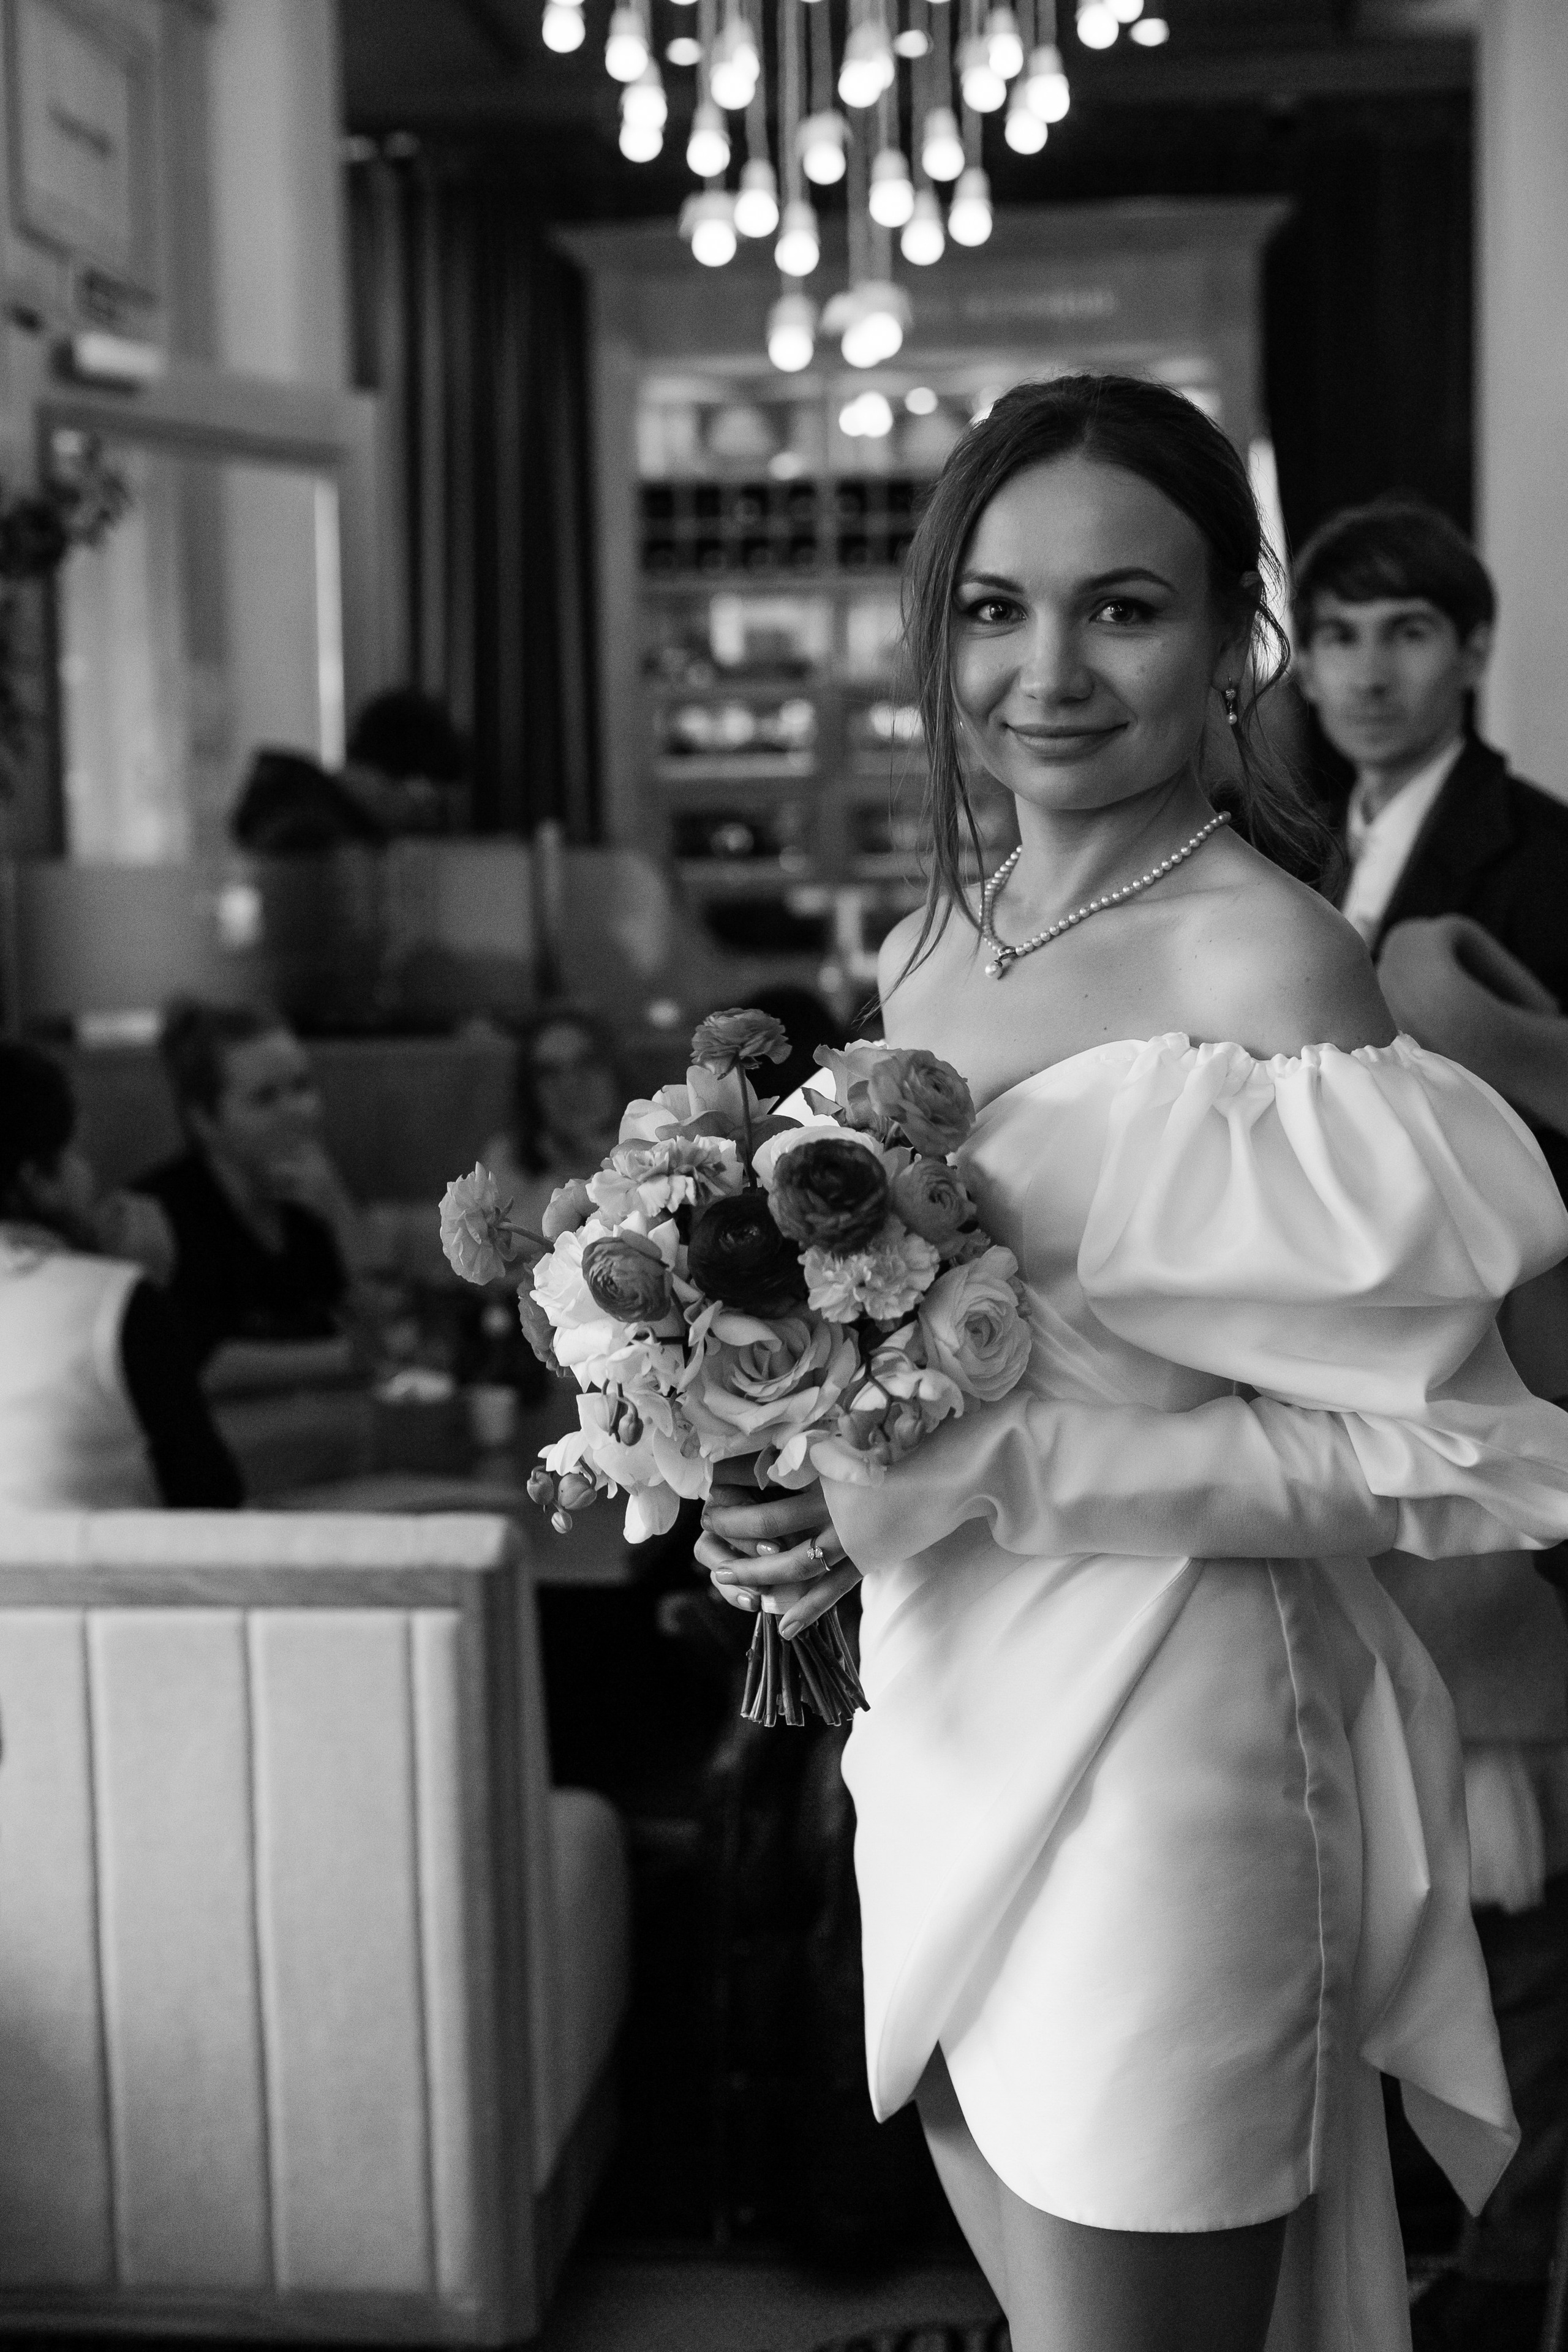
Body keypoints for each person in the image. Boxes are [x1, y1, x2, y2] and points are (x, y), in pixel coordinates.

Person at [693, 374, 1568, 2352]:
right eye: (995, 610)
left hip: (1173, 1756)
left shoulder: (1273, 968)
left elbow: (1444, 1459)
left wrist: (1000, 1477)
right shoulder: (939, 938)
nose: (1047, 672)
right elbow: (906, 1361)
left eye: (1122, 607)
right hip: (936, 1714)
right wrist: (794, 1497)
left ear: (1232, 638)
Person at [1294, 498, 1568, 2349]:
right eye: (1333, 638)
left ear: (1467, 649)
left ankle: (1502, 2268)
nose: (1365, 670)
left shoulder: (1535, 855)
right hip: (1344, 1401)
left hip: (1514, 1374)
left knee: (1519, 1852)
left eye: (1401, 633)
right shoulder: (1298, 854)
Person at [0, 1042, 241, 1509]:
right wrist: (140, 1287)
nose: (89, 1174)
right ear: (34, 1183)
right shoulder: (116, 1303)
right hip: (86, 1582)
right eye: (75, 1153)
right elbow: (212, 1501)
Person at [134, 1000, 355, 1368]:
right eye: (265, 1098)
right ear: (204, 1120)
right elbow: (204, 1365)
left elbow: (376, 1323)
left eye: (301, 1087)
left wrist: (339, 1214)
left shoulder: (311, 1194)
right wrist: (345, 1357)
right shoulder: (162, 1214)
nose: (298, 1111)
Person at [481, 1006, 627, 1238]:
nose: (570, 1086)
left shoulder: (659, 1143)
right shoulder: (509, 1157)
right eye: (550, 1073)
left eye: (585, 1063)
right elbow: (511, 1249)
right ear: (531, 1090)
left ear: (614, 1068)